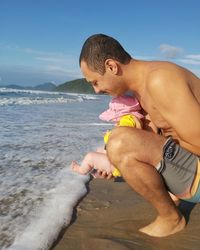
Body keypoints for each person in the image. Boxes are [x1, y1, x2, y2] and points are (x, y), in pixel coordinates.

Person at [79, 33, 200, 237]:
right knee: (117, 146)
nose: (96, 90)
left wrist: (132, 149)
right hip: (189, 173)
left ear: (111, 66)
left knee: (120, 142)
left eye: (95, 82)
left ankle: (171, 218)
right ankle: (172, 200)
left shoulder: (160, 80)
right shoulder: (142, 89)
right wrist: (119, 163)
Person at [71, 95, 143, 178]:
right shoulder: (135, 119)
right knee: (99, 150)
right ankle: (97, 171)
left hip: (119, 165)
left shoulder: (127, 120)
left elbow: (120, 136)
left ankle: (81, 170)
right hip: (124, 159)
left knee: (90, 157)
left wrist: (108, 136)